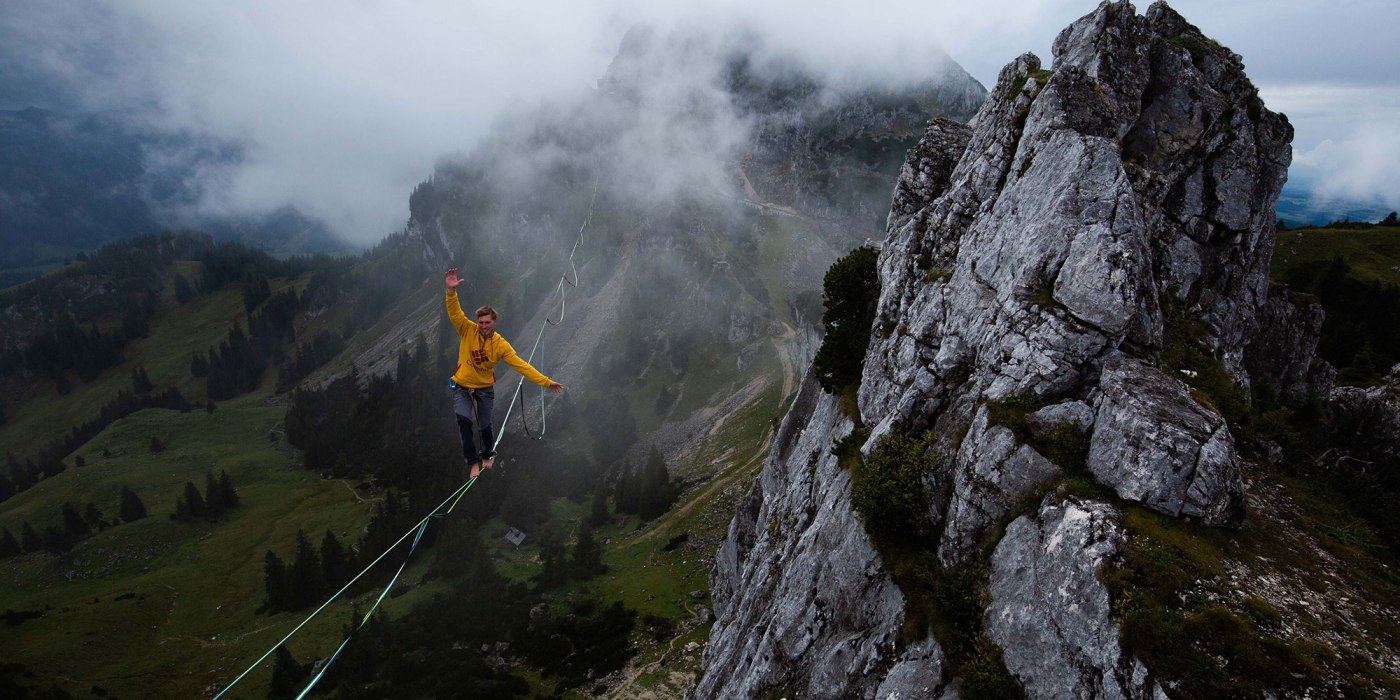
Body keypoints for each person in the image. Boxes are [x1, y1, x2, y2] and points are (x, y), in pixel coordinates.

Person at [444, 268, 564, 478]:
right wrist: (450, 291)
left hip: (484, 388)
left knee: (485, 425)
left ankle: (487, 455)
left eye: (487, 323)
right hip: (461, 386)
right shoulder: (467, 329)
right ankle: (473, 462)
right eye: (480, 323)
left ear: (494, 322)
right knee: (464, 421)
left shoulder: (501, 345)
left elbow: (521, 365)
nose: (483, 326)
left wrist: (546, 382)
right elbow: (455, 313)